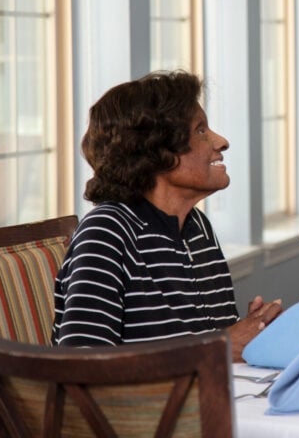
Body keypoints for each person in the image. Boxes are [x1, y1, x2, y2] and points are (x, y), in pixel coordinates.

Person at [52, 70, 282, 361]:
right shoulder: (106, 232)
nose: (221, 142)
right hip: (136, 408)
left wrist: (253, 332)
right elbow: (82, 364)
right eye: (200, 130)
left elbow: (206, 346)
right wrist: (220, 346)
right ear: (157, 151)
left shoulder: (197, 228)